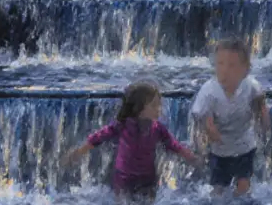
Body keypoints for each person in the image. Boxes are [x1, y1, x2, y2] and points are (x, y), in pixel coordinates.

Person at [65, 81, 201, 199]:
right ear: (139, 108)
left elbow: (173, 145)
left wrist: (190, 156)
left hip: (148, 178)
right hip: (124, 178)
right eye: (154, 105)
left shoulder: (158, 128)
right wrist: (80, 151)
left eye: (159, 105)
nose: (159, 109)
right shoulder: (123, 125)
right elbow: (99, 137)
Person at [191, 40, 270, 196]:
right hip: (219, 151)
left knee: (243, 184)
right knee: (218, 188)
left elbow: (260, 102)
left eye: (231, 65)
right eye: (220, 64)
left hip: (245, 146)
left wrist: (263, 118)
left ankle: (241, 203)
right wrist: (209, 127)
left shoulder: (251, 86)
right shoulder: (209, 91)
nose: (224, 70)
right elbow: (202, 115)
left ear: (245, 70)